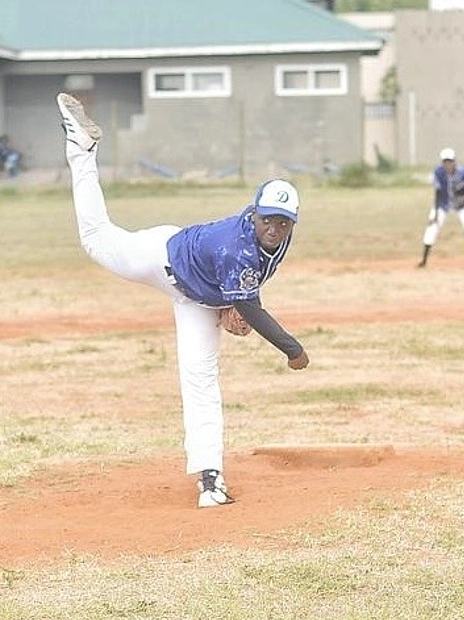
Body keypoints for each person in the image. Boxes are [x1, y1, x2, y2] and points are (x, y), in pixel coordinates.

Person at [56, 92, 309, 508]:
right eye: (268, 219)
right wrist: (292, 349)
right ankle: (80, 149)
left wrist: (228, 298)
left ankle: (210, 481)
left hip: (198, 297)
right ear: (254, 214)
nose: (274, 228)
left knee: (201, 379)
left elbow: (247, 287)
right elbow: (250, 306)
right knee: (96, 239)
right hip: (162, 259)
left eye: (284, 222)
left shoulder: (275, 236)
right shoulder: (236, 247)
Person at [416, 147, 464, 268]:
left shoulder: (463, 172)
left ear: (455, 161)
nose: (448, 164)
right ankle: (424, 261)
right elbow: (437, 192)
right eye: (445, 161)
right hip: (443, 203)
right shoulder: (438, 173)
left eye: (450, 161)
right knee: (432, 228)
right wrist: (436, 215)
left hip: (461, 203)